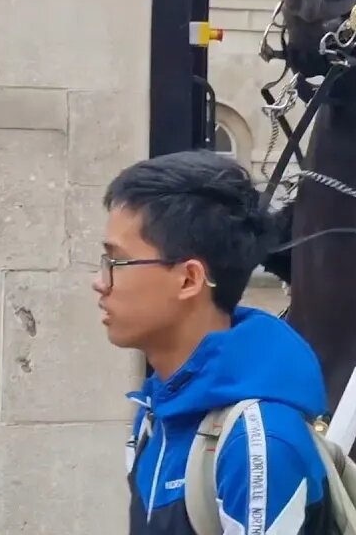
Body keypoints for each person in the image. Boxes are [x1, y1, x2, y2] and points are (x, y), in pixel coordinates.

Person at [97, 149, 331, 534]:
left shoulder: (258, 444)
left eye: (116, 262)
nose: (100, 282)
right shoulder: (155, 415)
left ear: (189, 279)